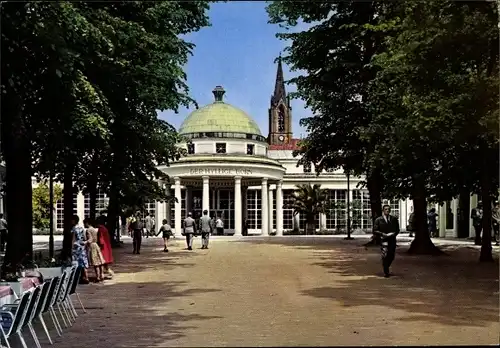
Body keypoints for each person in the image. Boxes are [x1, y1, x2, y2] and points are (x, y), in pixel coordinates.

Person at [373, 205, 400, 278]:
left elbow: (397, 229)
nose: (387, 210)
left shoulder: (394, 219)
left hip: (392, 239)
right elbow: (375, 230)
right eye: (385, 209)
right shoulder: (378, 220)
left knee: (391, 255)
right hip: (383, 239)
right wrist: (382, 234)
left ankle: (386, 265)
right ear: (383, 210)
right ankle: (386, 271)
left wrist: (394, 234)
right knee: (385, 254)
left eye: (388, 209)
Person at [71, 214, 89, 284]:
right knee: (83, 262)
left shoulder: (74, 229)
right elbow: (84, 237)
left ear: (74, 221)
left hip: (76, 247)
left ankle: (76, 278)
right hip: (82, 246)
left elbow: (73, 239)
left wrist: (71, 247)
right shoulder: (81, 228)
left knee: (76, 263)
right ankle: (86, 277)